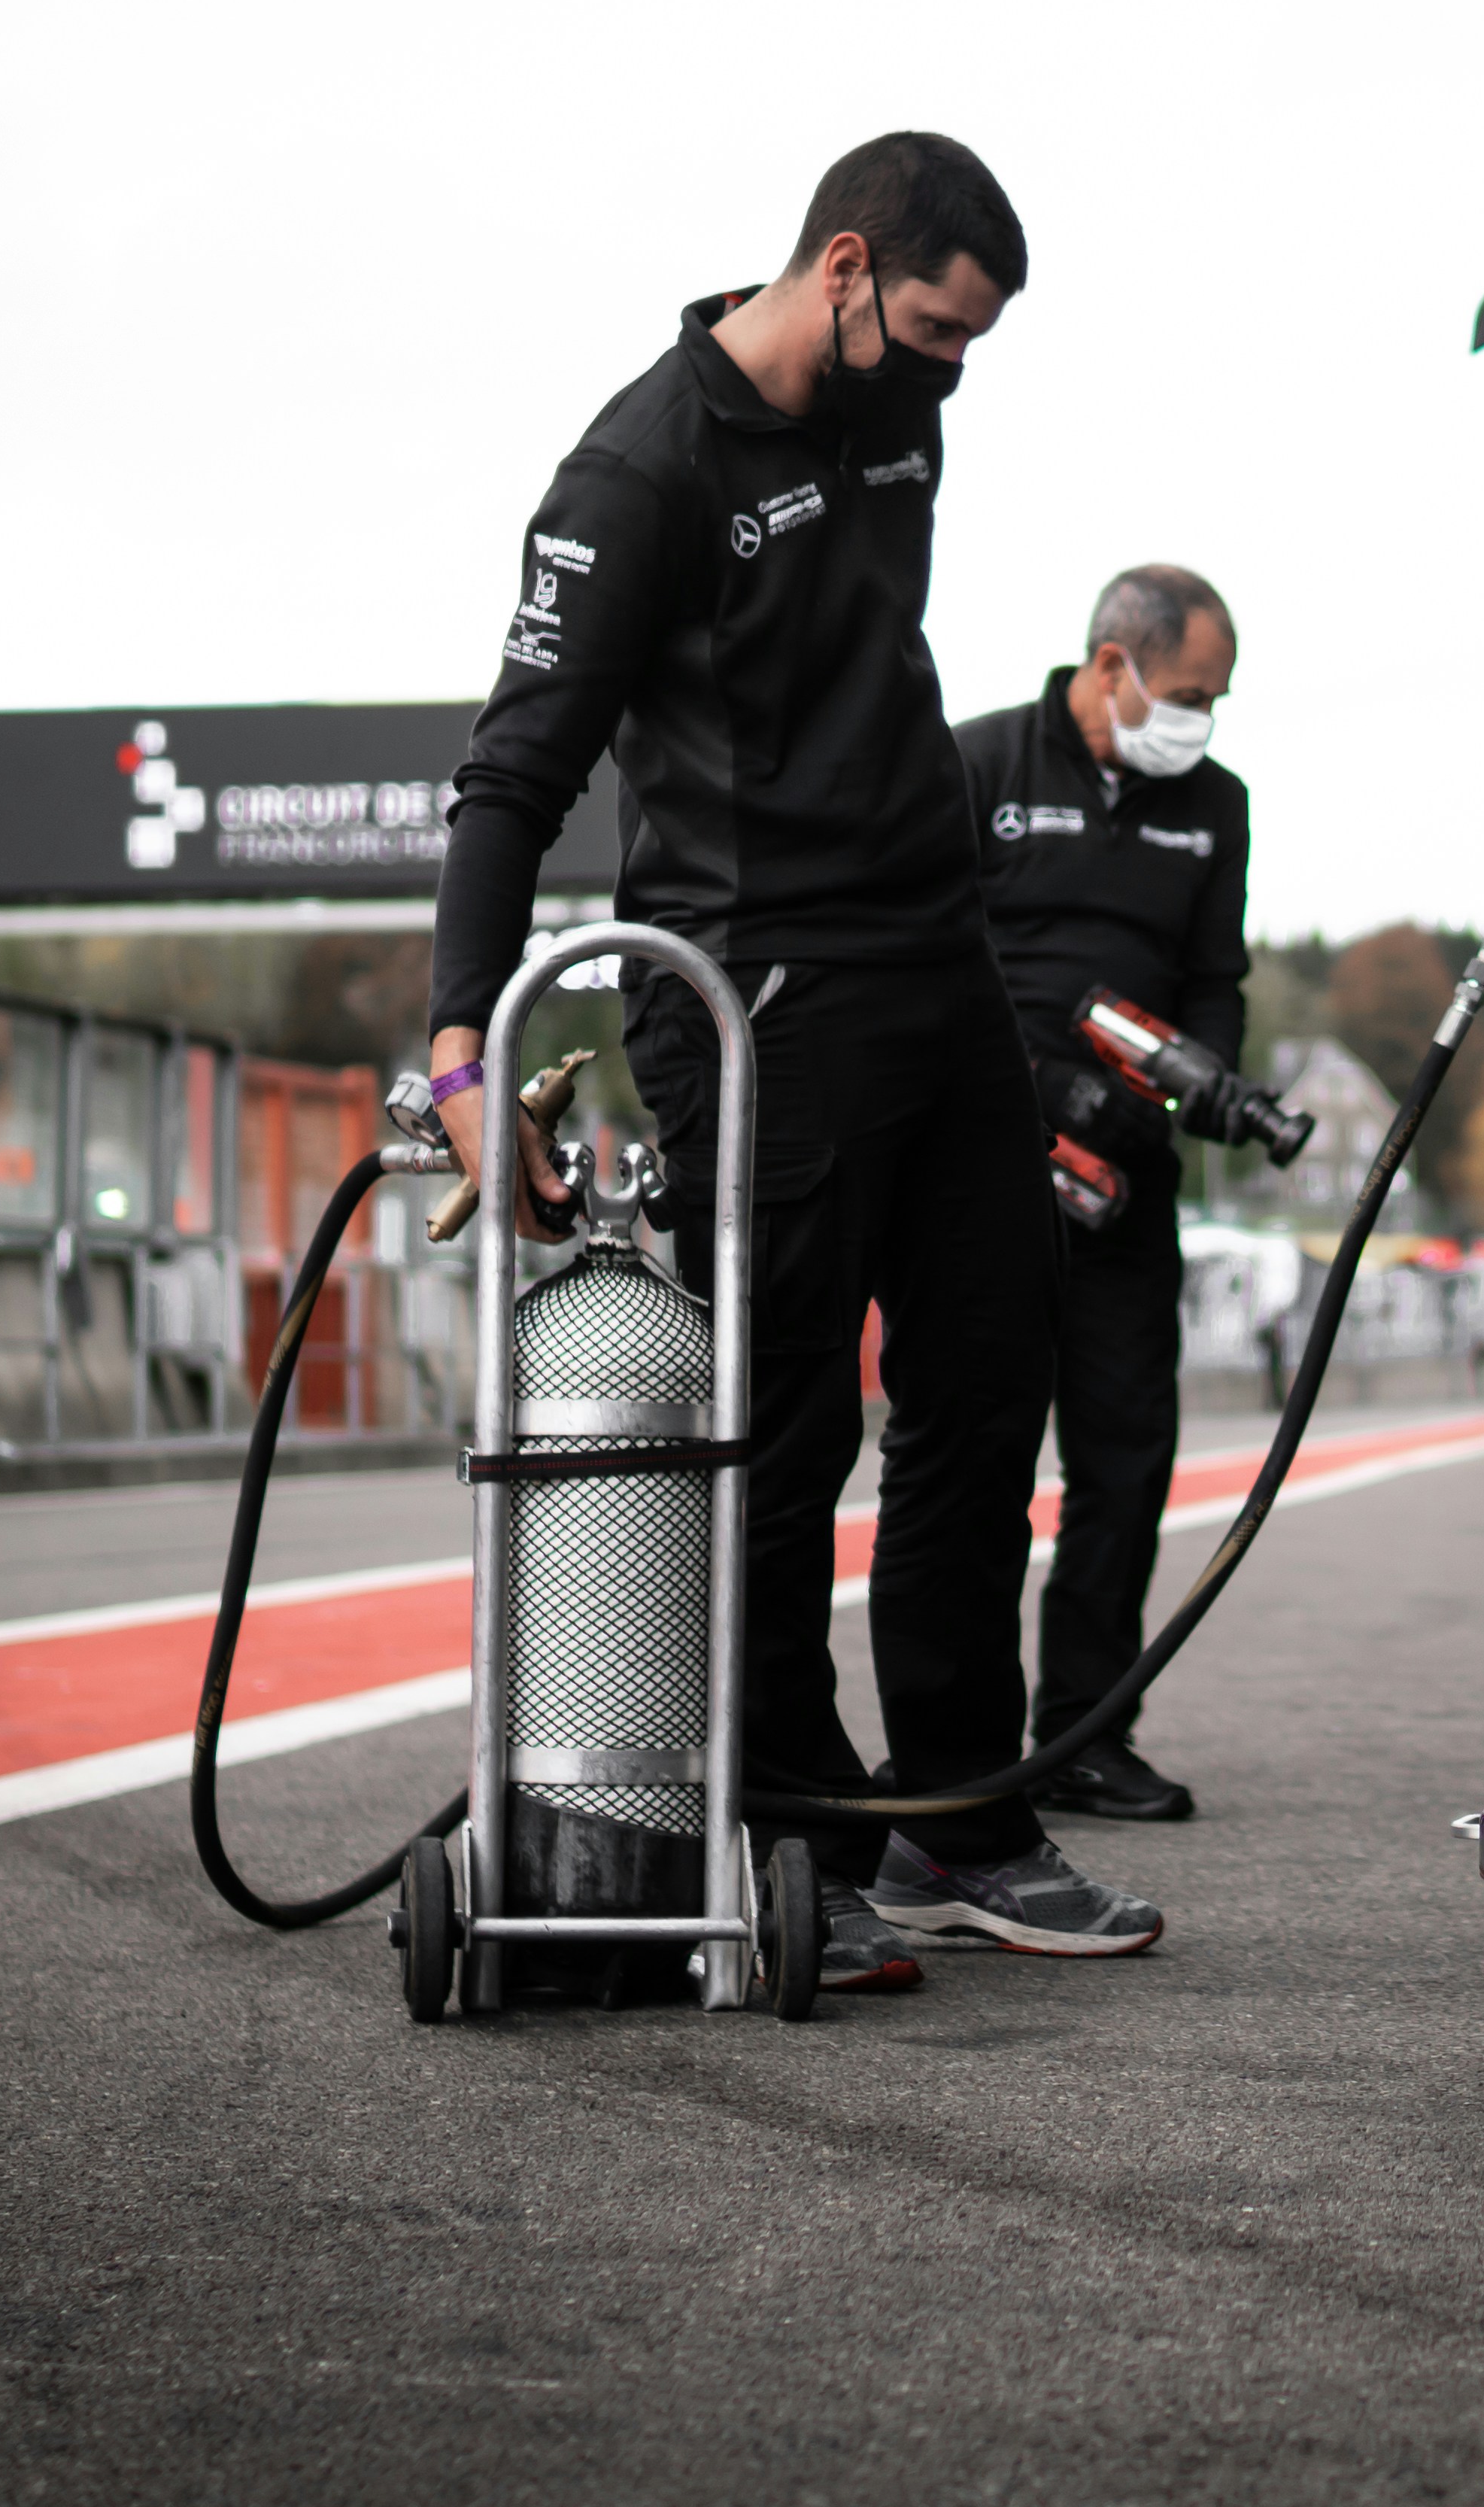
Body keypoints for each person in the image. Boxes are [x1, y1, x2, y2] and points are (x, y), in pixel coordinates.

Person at [423, 130, 1164, 1990]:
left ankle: (957, 1821)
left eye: (975, 340)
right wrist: (459, 1048)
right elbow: (514, 774)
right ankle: (787, 1841)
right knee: (778, 1431)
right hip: (753, 992)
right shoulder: (637, 469)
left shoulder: (905, 405)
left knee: (988, 1393)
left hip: (937, 959)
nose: (949, 367)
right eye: (930, 324)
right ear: (842, 268)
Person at [951, 566, 1252, 1822]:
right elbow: (927, 955)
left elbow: (1216, 977)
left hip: (1130, 1177)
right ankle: (956, 1752)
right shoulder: (979, 766)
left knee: (1126, 1461)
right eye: (1188, 693)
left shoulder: (1217, 805)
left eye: (1218, 698)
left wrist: (1193, 1088)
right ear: (1112, 663)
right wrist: (1035, 1090)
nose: (1202, 719)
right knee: (972, 1460)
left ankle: (1083, 1731)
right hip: (980, 1165)